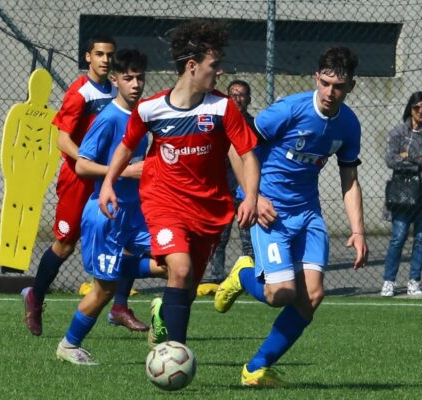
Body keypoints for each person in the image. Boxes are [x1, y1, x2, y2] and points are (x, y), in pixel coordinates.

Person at [98, 20, 260, 348]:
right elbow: (126, 147)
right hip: (164, 202)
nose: (220, 71)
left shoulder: (222, 107)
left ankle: (160, 309)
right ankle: (177, 354)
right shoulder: (151, 108)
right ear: (192, 66)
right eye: (214, 65)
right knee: (181, 269)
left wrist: (252, 196)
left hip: (209, 208)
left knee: (185, 287)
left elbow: (247, 155)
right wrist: (108, 184)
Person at [214, 47, 369, 387]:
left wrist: (358, 231)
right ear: (316, 78)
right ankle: (243, 275)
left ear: (351, 87)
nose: (330, 92)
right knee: (281, 293)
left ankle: (255, 369)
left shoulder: (348, 124)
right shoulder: (288, 110)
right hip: (270, 210)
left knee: (312, 296)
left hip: (308, 214)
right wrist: (254, 197)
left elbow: (349, 179)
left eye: (339, 86)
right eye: (326, 83)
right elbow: (239, 146)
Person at [22, 35, 147, 336]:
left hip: (113, 180)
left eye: (110, 55)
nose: (105, 60)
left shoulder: (123, 91)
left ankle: (118, 306)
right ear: (87, 57)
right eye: (99, 54)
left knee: (128, 242)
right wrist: (102, 166)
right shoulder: (80, 92)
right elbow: (63, 139)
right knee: (65, 244)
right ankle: (35, 297)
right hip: (80, 180)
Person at [56, 48, 166, 365]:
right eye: (128, 78)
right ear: (115, 80)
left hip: (137, 212)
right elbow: (82, 167)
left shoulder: (144, 115)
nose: (135, 84)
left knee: (173, 262)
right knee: (104, 290)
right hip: (107, 213)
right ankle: (68, 344)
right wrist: (122, 171)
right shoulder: (107, 119)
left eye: (140, 77)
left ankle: (161, 322)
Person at [381, 92, 422, 297]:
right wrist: (420, 158)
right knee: (398, 237)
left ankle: (414, 280)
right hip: (403, 193)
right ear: (410, 108)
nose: (421, 112)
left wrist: (408, 155)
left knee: (420, 238)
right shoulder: (398, 132)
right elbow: (391, 159)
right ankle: (389, 281)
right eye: (417, 107)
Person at [207, 80, 258, 282]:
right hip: (224, 189)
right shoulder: (219, 124)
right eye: (233, 95)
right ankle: (216, 277)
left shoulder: (254, 126)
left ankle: (248, 277)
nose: (237, 99)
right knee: (220, 237)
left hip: (245, 190)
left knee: (249, 240)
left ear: (249, 99)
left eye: (242, 95)